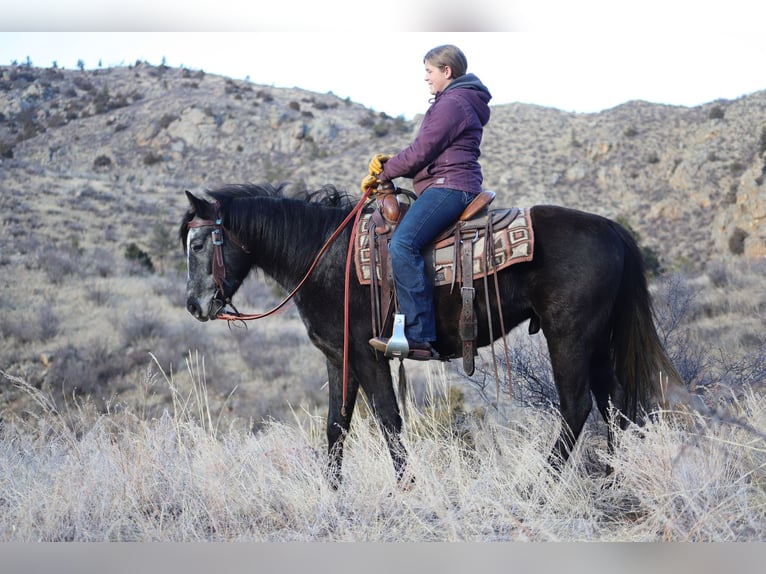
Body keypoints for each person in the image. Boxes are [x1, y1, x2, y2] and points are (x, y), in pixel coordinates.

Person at [362, 44, 492, 360]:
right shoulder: (459, 101)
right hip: (451, 184)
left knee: (402, 244)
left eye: (429, 71)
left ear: (447, 71)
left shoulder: (453, 103)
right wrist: (393, 163)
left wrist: (384, 173)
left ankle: (419, 336)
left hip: (449, 187)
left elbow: (422, 151)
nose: (426, 78)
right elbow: (426, 152)